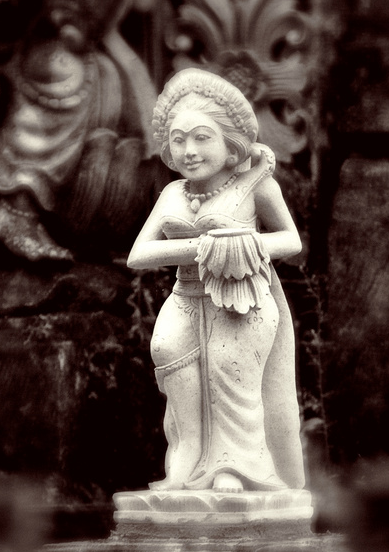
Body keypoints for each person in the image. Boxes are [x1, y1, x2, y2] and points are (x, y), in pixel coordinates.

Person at [128, 68, 306, 493]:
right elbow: (138, 255)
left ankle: (237, 468)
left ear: (230, 146)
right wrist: (206, 248)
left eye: (202, 137)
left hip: (242, 296)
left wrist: (248, 242)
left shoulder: (257, 187)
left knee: (229, 368)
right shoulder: (173, 194)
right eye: (178, 139)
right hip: (186, 291)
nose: (188, 150)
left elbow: (291, 241)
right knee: (166, 348)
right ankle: (186, 457)